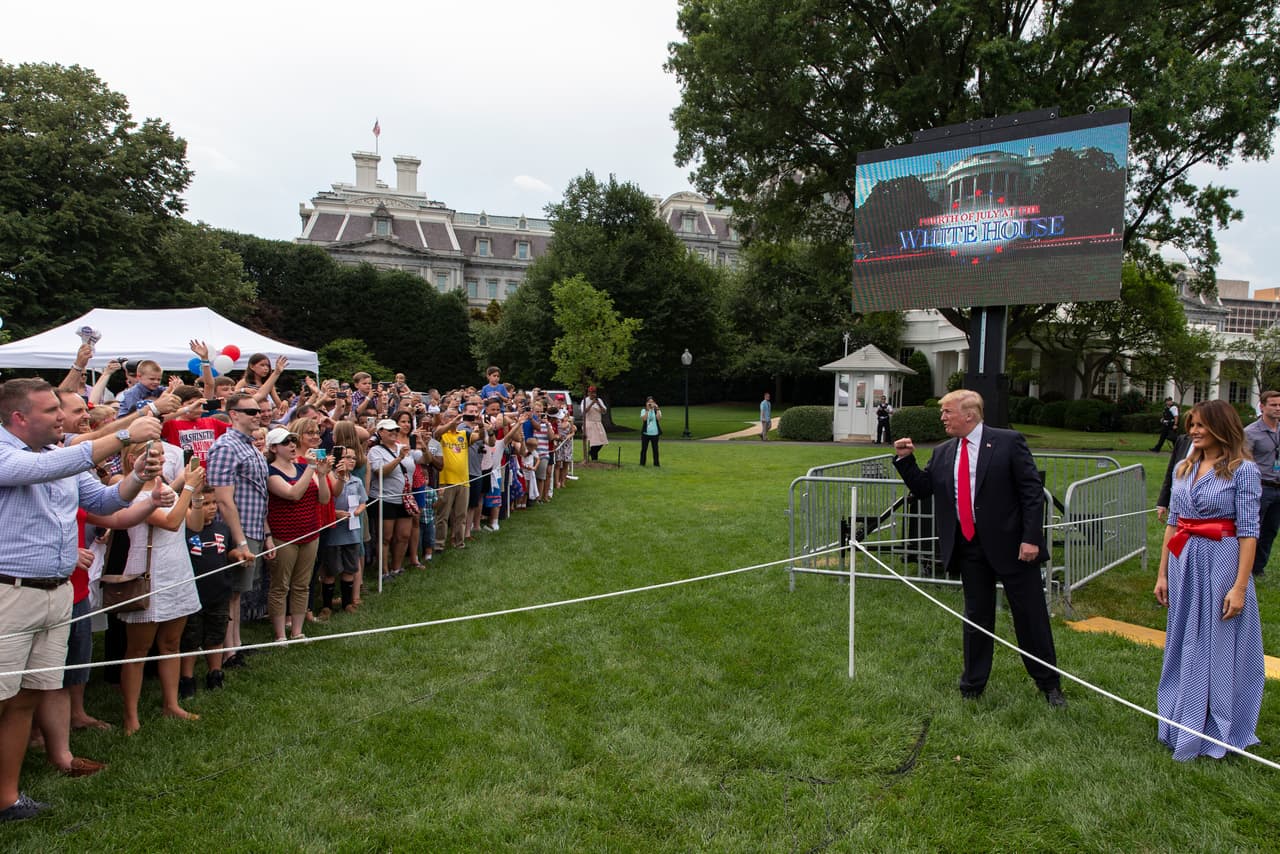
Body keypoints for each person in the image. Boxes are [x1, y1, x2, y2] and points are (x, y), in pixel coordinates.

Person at [0, 378, 163, 822]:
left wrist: (138, 476)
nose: (62, 418)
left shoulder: (58, 458)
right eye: (52, 410)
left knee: (26, 698)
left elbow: (109, 500)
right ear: (19, 418)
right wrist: (127, 433)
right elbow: (32, 471)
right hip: (9, 593)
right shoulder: (5, 453)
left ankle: (8, 798)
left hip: (55, 594)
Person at [892, 389, 1065, 707]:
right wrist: (905, 461)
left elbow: (1031, 492)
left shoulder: (1007, 442)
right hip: (968, 547)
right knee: (976, 617)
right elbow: (924, 488)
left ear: (969, 414)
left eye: (947, 411)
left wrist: (1031, 539)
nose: (942, 416)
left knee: (1030, 616)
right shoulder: (944, 451)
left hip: (1013, 547)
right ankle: (972, 685)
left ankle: (1049, 684)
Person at [1154, 399, 1264, 760]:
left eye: (1201, 425)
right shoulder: (1185, 467)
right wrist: (1163, 573)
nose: (1194, 431)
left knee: (1217, 643)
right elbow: (1173, 523)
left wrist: (1240, 586)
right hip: (1184, 561)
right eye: (1191, 425)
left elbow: (1249, 531)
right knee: (1183, 641)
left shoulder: (1243, 470)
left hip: (1222, 562)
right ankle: (1179, 716)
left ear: (1221, 428)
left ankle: (1217, 725)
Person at [116, 444, 204, 735]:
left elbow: (194, 522)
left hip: (177, 567)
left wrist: (198, 495)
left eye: (163, 456)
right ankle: (130, 716)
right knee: (138, 649)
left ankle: (171, 704)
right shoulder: (130, 490)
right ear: (133, 458)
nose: (163, 461)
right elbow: (169, 521)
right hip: (148, 570)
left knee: (171, 643)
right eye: (156, 456)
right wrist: (188, 488)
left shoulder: (167, 486)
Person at [206, 393, 271, 669]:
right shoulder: (226, 447)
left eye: (259, 411)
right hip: (235, 531)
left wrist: (263, 534)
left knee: (238, 592)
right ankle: (225, 653)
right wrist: (240, 539)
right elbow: (222, 498)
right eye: (251, 412)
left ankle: (235, 646)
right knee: (231, 591)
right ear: (233, 414)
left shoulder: (251, 447)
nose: (258, 415)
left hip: (253, 527)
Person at [265, 427, 331, 640]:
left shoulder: (304, 469)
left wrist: (321, 476)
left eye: (293, 441)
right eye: (286, 442)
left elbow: (323, 499)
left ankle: (297, 631)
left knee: (302, 584)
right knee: (280, 586)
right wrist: (311, 468)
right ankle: (279, 634)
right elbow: (293, 494)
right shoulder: (271, 472)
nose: (292, 445)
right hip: (284, 535)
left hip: (310, 532)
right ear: (274, 448)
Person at [1243, 389, 1280, 577]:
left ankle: (1258, 567)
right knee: (1253, 530)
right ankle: (1245, 567)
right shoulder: (1251, 433)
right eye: (1273, 405)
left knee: (1271, 530)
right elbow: (1244, 462)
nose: (1277, 408)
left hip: (1278, 487)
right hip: (1260, 487)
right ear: (1262, 406)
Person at [582, 386, 609, 461]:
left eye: (594, 392)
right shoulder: (585, 401)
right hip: (589, 424)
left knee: (602, 441)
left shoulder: (599, 400)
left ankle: (592, 453)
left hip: (598, 423)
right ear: (588, 393)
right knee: (594, 442)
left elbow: (604, 411)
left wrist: (599, 404)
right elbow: (584, 412)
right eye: (591, 392)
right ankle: (594, 459)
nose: (592, 394)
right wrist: (591, 404)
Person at [640, 397, 662, 467]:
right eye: (649, 402)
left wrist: (657, 408)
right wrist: (647, 410)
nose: (651, 403)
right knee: (644, 449)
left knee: (655, 449)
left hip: (655, 433)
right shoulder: (643, 410)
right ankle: (642, 463)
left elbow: (659, 418)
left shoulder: (657, 410)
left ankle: (656, 464)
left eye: (652, 402)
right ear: (646, 403)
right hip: (646, 433)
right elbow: (644, 419)